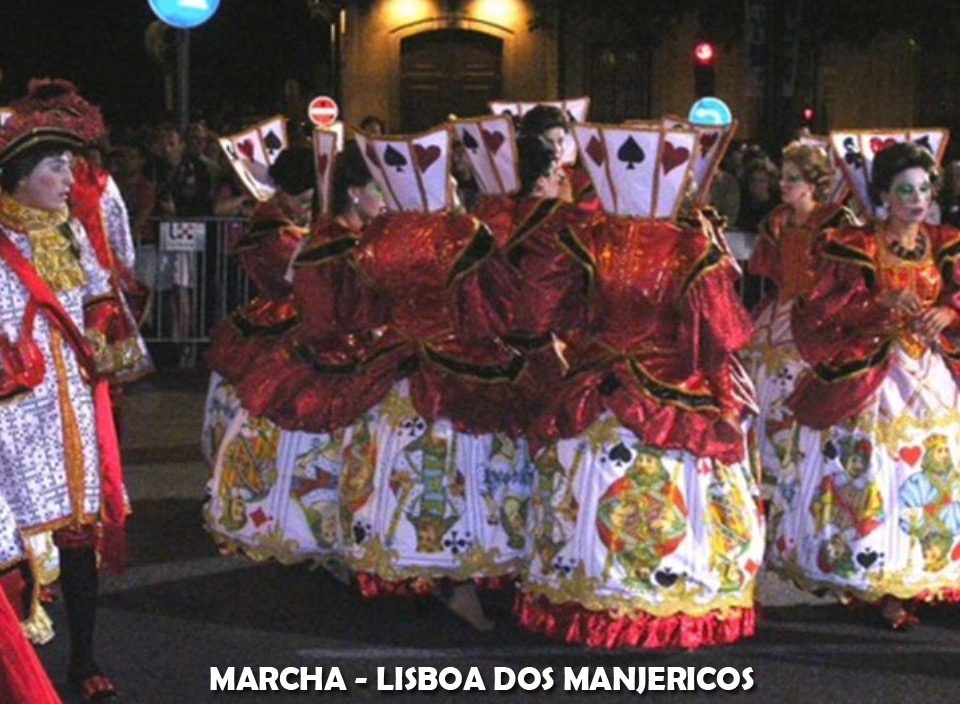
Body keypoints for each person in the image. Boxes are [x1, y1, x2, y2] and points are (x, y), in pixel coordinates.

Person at [516, 123, 763, 650]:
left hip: (596, 386)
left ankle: (590, 596)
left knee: (586, 483)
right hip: (672, 388)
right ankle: (668, 602)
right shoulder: (691, 247)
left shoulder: (587, 239)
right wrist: (724, 397)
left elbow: (542, 313)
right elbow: (724, 336)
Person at [770, 141, 960, 630]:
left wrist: (948, 310)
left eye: (924, 188)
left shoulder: (942, 243)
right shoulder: (858, 246)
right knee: (878, 473)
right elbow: (821, 310)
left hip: (930, 374)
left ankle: (926, 570)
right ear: (883, 196)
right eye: (905, 190)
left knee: (932, 473)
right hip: (876, 377)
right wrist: (880, 303)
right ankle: (881, 580)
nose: (917, 199)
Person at [0, 103, 145, 700]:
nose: (68, 181)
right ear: (18, 176)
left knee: (78, 534)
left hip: (73, 408)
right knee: (14, 539)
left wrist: (106, 327)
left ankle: (83, 658)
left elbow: (97, 298)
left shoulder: (71, 231)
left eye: (69, 167)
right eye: (56, 168)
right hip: (13, 414)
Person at [746, 142, 855, 482]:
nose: (783, 184)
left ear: (811, 183)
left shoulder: (834, 221)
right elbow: (766, 269)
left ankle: (802, 463)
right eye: (782, 177)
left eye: (792, 178)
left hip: (817, 314)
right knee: (759, 375)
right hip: (778, 310)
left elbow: (844, 276)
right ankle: (765, 464)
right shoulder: (777, 220)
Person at [201, 147, 314, 465]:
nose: (305, 211)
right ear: (283, 192)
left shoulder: (280, 223)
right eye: (301, 202)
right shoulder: (274, 233)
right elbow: (300, 277)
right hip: (279, 320)